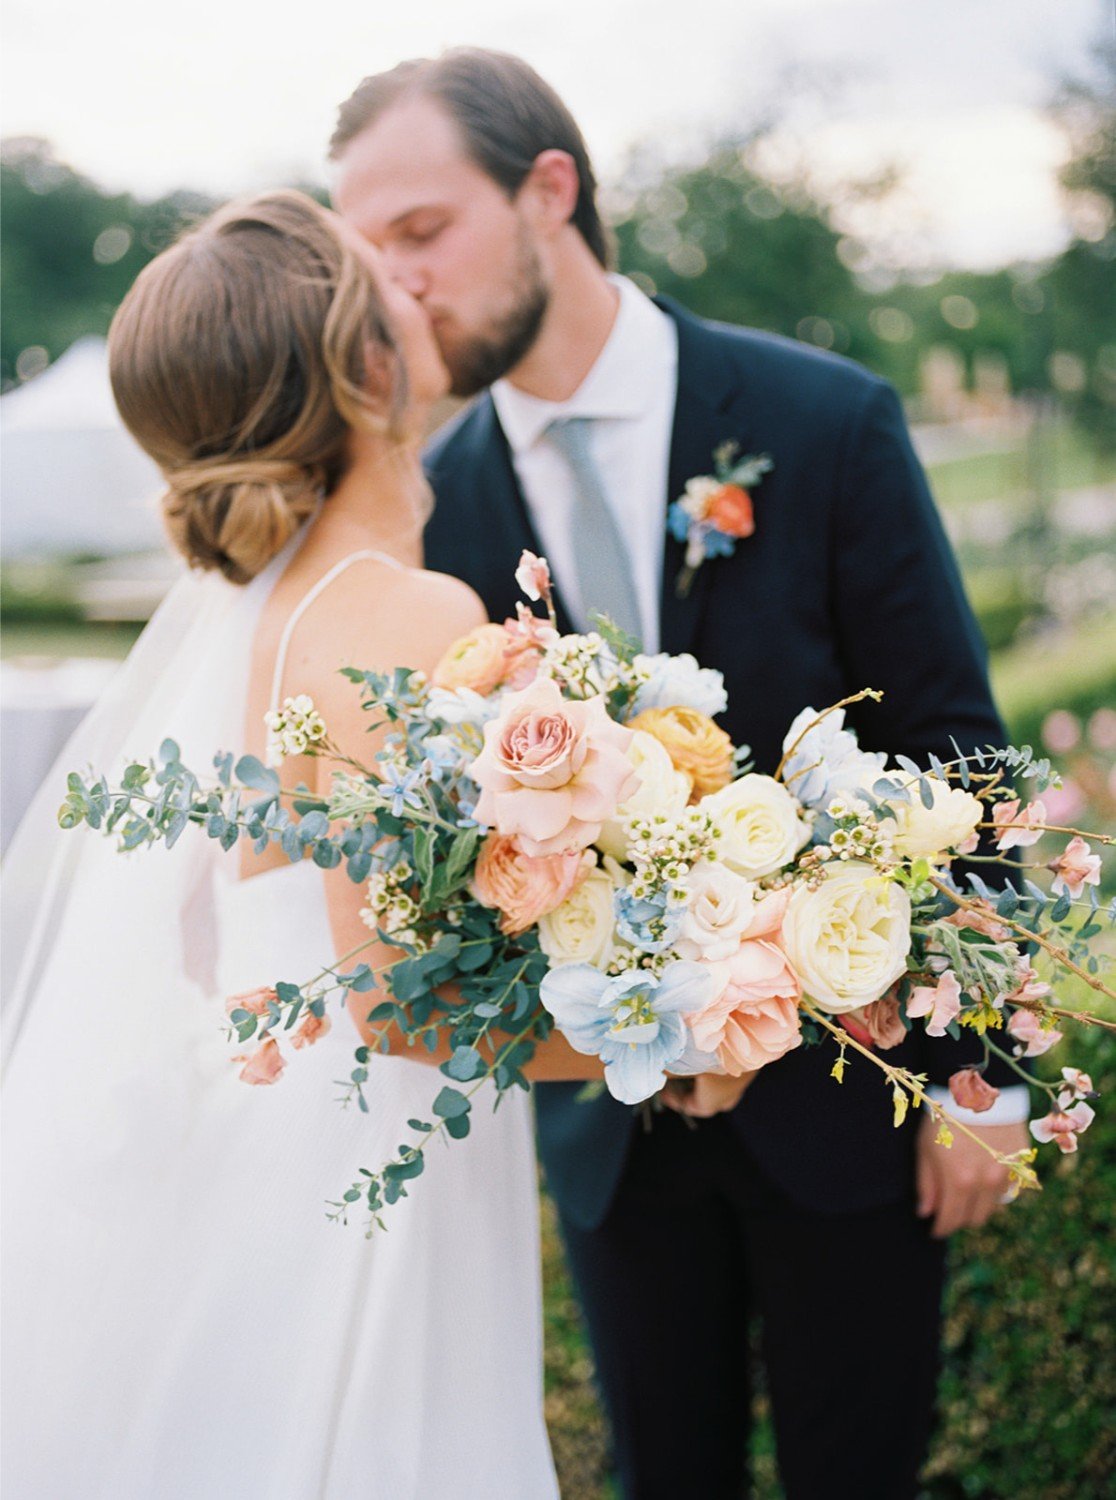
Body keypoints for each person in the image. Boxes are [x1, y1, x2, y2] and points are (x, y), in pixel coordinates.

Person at [330, 50, 1034, 1500]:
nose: (400, 289)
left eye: (419, 234)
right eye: (368, 258)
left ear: (550, 191)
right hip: (609, 1136)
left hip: (851, 1091)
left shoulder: (823, 420)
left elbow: (956, 744)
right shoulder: (433, 499)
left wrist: (982, 1069)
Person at [3, 189, 739, 1499]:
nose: (418, 285)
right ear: (360, 365)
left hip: (281, 1141)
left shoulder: (263, 609)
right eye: (383, 279)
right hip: (373, 1184)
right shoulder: (402, 608)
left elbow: (200, 929)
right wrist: (676, 1034)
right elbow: (405, 1007)